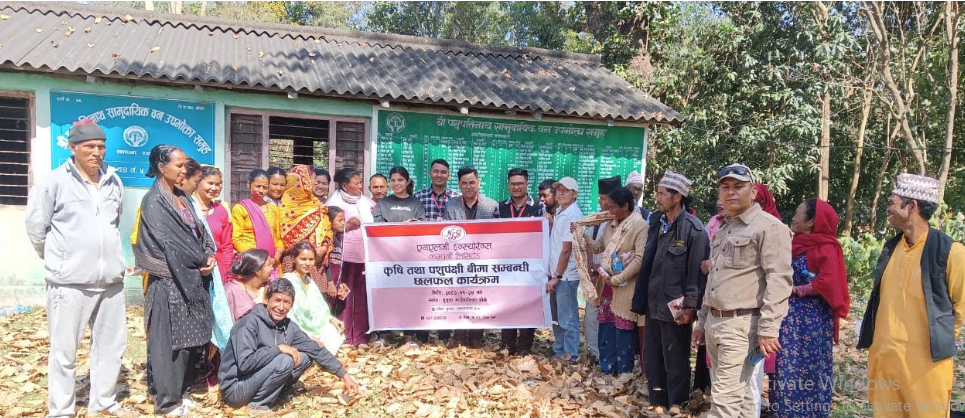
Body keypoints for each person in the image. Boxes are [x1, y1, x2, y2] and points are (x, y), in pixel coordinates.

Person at [25, 119, 134, 417]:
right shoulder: (53, 182)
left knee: (111, 348)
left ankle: (104, 403)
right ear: (73, 148)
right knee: (64, 352)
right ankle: (61, 410)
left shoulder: (114, 180)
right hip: (69, 283)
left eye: (101, 146)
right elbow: (37, 228)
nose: (96, 152)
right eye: (89, 147)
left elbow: (113, 222)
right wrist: (59, 260)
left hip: (111, 282)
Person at [858, 174, 965, 418]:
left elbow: (962, 307)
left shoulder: (951, 252)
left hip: (926, 366)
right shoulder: (891, 248)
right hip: (885, 360)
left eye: (893, 202)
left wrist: (938, 340)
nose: (888, 208)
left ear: (912, 207)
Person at [692, 163, 793, 418]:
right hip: (717, 321)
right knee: (745, 399)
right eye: (725, 187)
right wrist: (702, 322)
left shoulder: (769, 227)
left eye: (738, 186)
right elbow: (714, 279)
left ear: (754, 191)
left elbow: (779, 280)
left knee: (723, 405)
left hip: (742, 325)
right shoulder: (725, 227)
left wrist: (769, 328)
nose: (731, 193)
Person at [134, 145, 218, 416]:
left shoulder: (182, 196)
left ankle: (181, 393)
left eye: (185, 166)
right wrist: (200, 260)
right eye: (179, 166)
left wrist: (208, 255)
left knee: (190, 342)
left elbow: (201, 234)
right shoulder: (154, 201)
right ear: (162, 167)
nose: (184, 170)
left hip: (192, 280)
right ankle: (167, 402)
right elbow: (172, 244)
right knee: (169, 343)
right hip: (169, 281)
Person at [219, 279, 359, 415]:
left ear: (292, 305)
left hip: (257, 380)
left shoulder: (289, 326)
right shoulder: (248, 323)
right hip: (236, 388)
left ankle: (277, 396)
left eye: (286, 302)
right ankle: (257, 405)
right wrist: (278, 348)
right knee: (285, 360)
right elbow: (244, 364)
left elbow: (315, 349)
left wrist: (344, 375)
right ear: (267, 300)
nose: (281, 307)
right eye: (277, 300)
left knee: (306, 356)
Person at [631, 171, 709, 411]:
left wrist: (690, 307)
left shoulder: (694, 230)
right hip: (654, 301)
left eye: (663, 193)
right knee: (652, 356)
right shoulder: (656, 221)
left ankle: (677, 403)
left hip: (676, 306)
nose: (658, 197)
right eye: (658, 193)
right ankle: (658, 402)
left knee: (675, 358)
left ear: (678, 197)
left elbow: (696, 274)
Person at [770, 199, 850, 417]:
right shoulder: (792, 242)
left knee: (810, 367)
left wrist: (799, 290)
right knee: (785, 365)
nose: (794, 217)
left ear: (812, 221)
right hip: (787, 318)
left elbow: (829, 281)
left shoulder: (827, 247)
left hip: (812, 319)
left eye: (798, 213)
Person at [575, 186, 647, 374]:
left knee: (623, 332)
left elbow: (639, 259)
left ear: (625, 206)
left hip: (625, 288)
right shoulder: (611, 223)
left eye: (613, 207)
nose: (610, 211)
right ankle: (607, 369)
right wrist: (581, 235)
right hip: (606, 285)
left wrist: (618, 279)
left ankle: (623, 374)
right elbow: (599, 247)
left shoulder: (640, 225)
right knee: (606, 328)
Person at [443, 166, 499, 348]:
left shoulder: (491, 206)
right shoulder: (451, 205)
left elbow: (499, 235)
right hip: (458, 261)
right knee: (458, 298)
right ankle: (459, 335)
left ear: (479, 183)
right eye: (464, 183)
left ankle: (476, 336)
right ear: (459, 185)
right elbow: (445, 233)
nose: (469, 187)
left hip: (483, 263)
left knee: (479, 299)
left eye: (472, 182)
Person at [374, 166, 428, 346]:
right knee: (386, 296)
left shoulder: (416, 204)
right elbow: (376, 228)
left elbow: (422, 228)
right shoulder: (383, 203)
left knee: (409, 296)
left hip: (409, 258)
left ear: (407, 182)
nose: (396, 184)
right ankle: (384, 335)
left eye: (400, 180)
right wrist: (399, 228)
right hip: (386, 258)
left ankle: (409, 336)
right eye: (393, 180)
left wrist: (413, 225)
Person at [495, 168, 544, 356]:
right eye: (513, 183)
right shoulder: (500, 208)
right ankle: (507, 345)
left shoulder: (539, 206)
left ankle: (524, 347)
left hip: (531, 266)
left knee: (528, 306)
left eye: (520, 183)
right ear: (508, 185)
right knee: (507, 304)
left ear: (527, 184)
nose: (516, 187)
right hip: (506, 266)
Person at [326, 167, 376, 347]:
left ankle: (362, 337)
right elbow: (328, 229)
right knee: (344, 296)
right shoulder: (333, 203)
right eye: (357, 183)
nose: (360, 186)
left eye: (361, 182)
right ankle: (345, 337)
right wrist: (347, 226)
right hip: (343, 259)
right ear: (345, 186)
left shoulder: (368, 202)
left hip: (365, 258)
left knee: (362, 297)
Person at [280, 241, 346, 355]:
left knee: (334, 330)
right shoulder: (287, 281)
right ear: (293, 259)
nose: (307, 263)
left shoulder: (310, 281)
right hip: (297, 329)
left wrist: (331, 319)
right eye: (303, 259)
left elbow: (320, 307)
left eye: (311, 259)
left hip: (314, 326)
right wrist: (307, 335)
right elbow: (288, 315)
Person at [582, 176, 622, 361]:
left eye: (603, 198)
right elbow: (594, 246)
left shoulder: (628, 220)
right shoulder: (597, 219)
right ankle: (595, 354)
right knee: (592, 315)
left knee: (614, 318)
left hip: (617, 280)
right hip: (596, 277)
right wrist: (591, 269)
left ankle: (611, 356)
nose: (600, 202)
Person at [279, 165, 333, 295]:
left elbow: (328, 232)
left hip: (317, 265)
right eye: (313, 179)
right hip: (294, 263)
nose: (315, 183)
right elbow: (286, 239)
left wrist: (325, 247)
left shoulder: (318, 205)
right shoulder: (285, 206)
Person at [547, 177, 585, 362]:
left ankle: (571, 354)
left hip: (565, 276)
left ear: (575, 194)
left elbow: (566, 249)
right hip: (557, 275)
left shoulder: (572, 215)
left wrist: (557, 275)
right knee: (557, 317)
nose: (560, 193)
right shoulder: (561, 213)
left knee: (568, 316)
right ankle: (560, 351)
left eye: (565, 190)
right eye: (558, 189)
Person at [232, 169, 285, 274]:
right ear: (249, 185)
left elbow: (278, 238)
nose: (261, 190)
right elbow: (236, 239)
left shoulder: (274, 210)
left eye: (265, 187)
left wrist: (275, 257)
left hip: (272, 263)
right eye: (258, 186)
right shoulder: (240, 208)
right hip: (251, 261)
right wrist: (259, 258)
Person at [195, 166, 234, 283]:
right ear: (198, 181)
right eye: (210, 183)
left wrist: (226, 272)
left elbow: (226, 245)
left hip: (217, 268)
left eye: (217, 184)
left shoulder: (221, 211)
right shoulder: (187, 207)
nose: (214, 188)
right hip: (192, 266)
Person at [225, 249, 274, 321]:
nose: (272, 268)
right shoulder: (232, 290)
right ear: (257, 270)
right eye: (269, 265)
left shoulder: (269, 288)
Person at [324, 206, 350, 318]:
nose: (343, 223)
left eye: (344, 220)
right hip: (326, 284)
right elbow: (325, 264)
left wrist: (339, 284)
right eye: (340, 220)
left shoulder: (337, 239)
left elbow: (337, 264)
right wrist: (330, 283)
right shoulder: (325, 239)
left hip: (335, 284)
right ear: (329, 221)